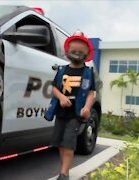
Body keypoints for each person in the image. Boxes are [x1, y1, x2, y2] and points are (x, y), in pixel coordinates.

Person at [44, 31, 95, 180]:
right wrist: (60, 97)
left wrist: (87, 108)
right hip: (61, 111)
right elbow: (54, 87)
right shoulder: (61, 70)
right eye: (73, 51)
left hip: (76, 112)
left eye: (80, 52)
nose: (76, 54)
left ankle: (64, 173)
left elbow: (91, 92)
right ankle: (63, 169)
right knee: (60, 142)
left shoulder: (87, 72)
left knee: (69, 141)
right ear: (67, 52)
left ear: (86, 54)